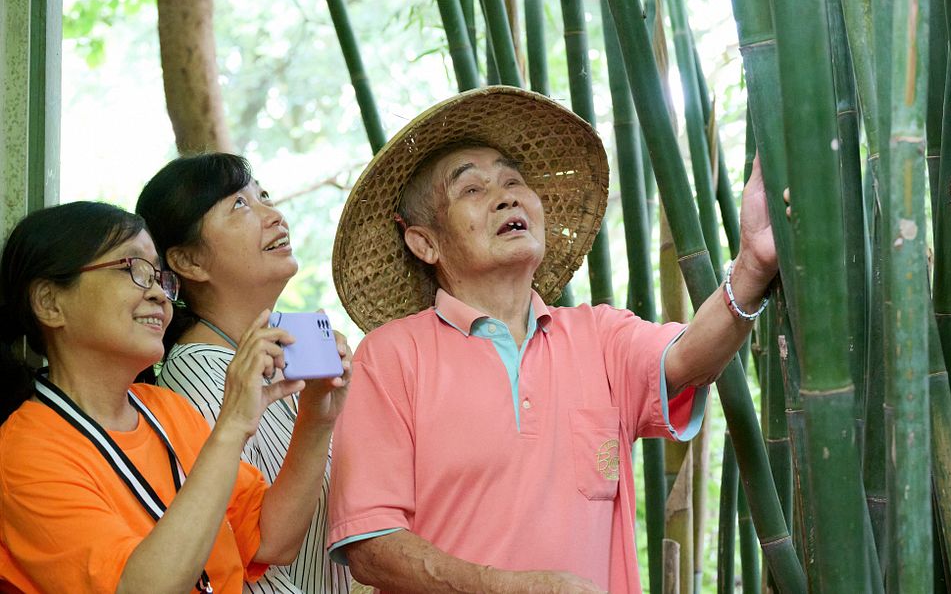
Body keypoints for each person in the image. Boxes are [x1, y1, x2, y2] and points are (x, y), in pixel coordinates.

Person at [326, 86, 780, 593]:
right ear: (425, 242)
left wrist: (753, 266)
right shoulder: (390, 358)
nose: (507, 195)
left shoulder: (599, 336)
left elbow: (691, 357)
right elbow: (372, 546)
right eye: (472, 189)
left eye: (513, 180)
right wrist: (508, 588)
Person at [0, 201, 349, 593]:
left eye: (158, 277)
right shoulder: (25, 453)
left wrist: (318, 419)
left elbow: (273, 539)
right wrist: (232, 424)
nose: (158, 295)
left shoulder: (164, 409)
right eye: (131, 269)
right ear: (49, 302)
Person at [137, 153, 354, 593]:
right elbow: (261, 543)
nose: (275, 216)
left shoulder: (287, 347)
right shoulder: (195, 372)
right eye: (240, 205)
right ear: (189, 262)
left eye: (265, 197)